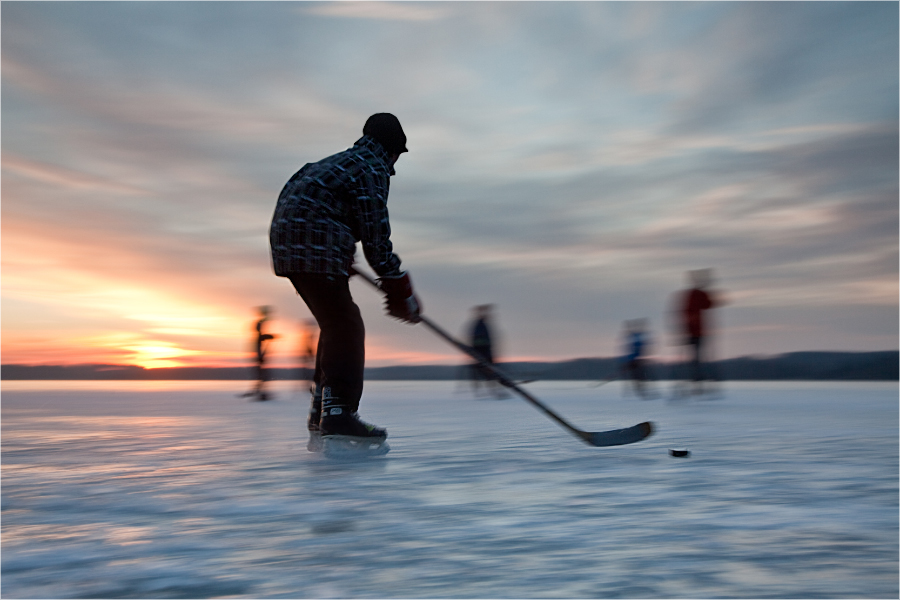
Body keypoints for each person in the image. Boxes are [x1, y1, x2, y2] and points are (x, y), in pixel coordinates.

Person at [269, 113, 421, 451]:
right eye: (397, 156)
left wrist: (339, 249)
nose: (395, 165)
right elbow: (376, 237)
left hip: (288, 243)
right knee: (346, 324)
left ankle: (322, 408)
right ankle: (337, 413)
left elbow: (315, 202)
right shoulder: (372, 168)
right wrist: (399, 287)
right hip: (314, 242)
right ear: (392, 149)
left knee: (334, 321)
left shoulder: (337, 162)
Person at [676, 268, 720, 394]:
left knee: (697, 359)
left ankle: (698, 383)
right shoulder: (692, 296)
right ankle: (698, 383)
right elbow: (707, 305)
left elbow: (708, 304)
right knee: (697, 359)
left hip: (697, 332)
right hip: (694, 332)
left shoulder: (695, 295)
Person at [467, 304, 506, 399]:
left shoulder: (481, 325)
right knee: (489, 372)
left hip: (484, 353)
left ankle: (494, 390)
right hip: (482, 354)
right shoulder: (479, 325)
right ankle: (492, 391)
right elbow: (478, 341)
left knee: (490, 372)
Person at [242, 305, 276, 401]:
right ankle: (259, 393)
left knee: (263, 375)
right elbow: (261, 337)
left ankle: (259, 392)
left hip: (260, 355)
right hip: (260, 356)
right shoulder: (258, 336)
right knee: (263, 375)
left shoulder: (259, 335)